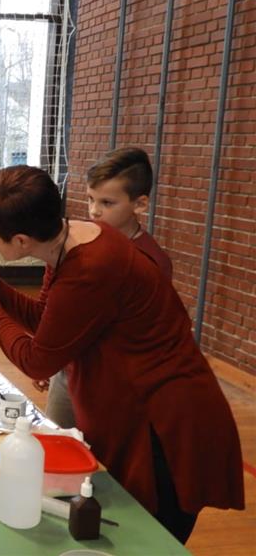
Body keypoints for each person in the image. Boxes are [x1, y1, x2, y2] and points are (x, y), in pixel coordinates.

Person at [0, 165, 244, 543]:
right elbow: (48, 322)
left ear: (21, 241)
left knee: (150, 538)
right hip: (136, 405)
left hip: (165, 421)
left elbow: (37, 360)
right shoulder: (69, 240)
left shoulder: (89, 267)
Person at [38, 147, 173, 429]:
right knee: (57, 444)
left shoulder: (150, 262)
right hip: (68, 373)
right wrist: (46, 354)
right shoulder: (75, 244)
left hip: (114, 386)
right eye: (90, 199)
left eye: (107, 203)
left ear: (140, 204)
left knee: (101, 454)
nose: (94, 210)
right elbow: (51, 304)